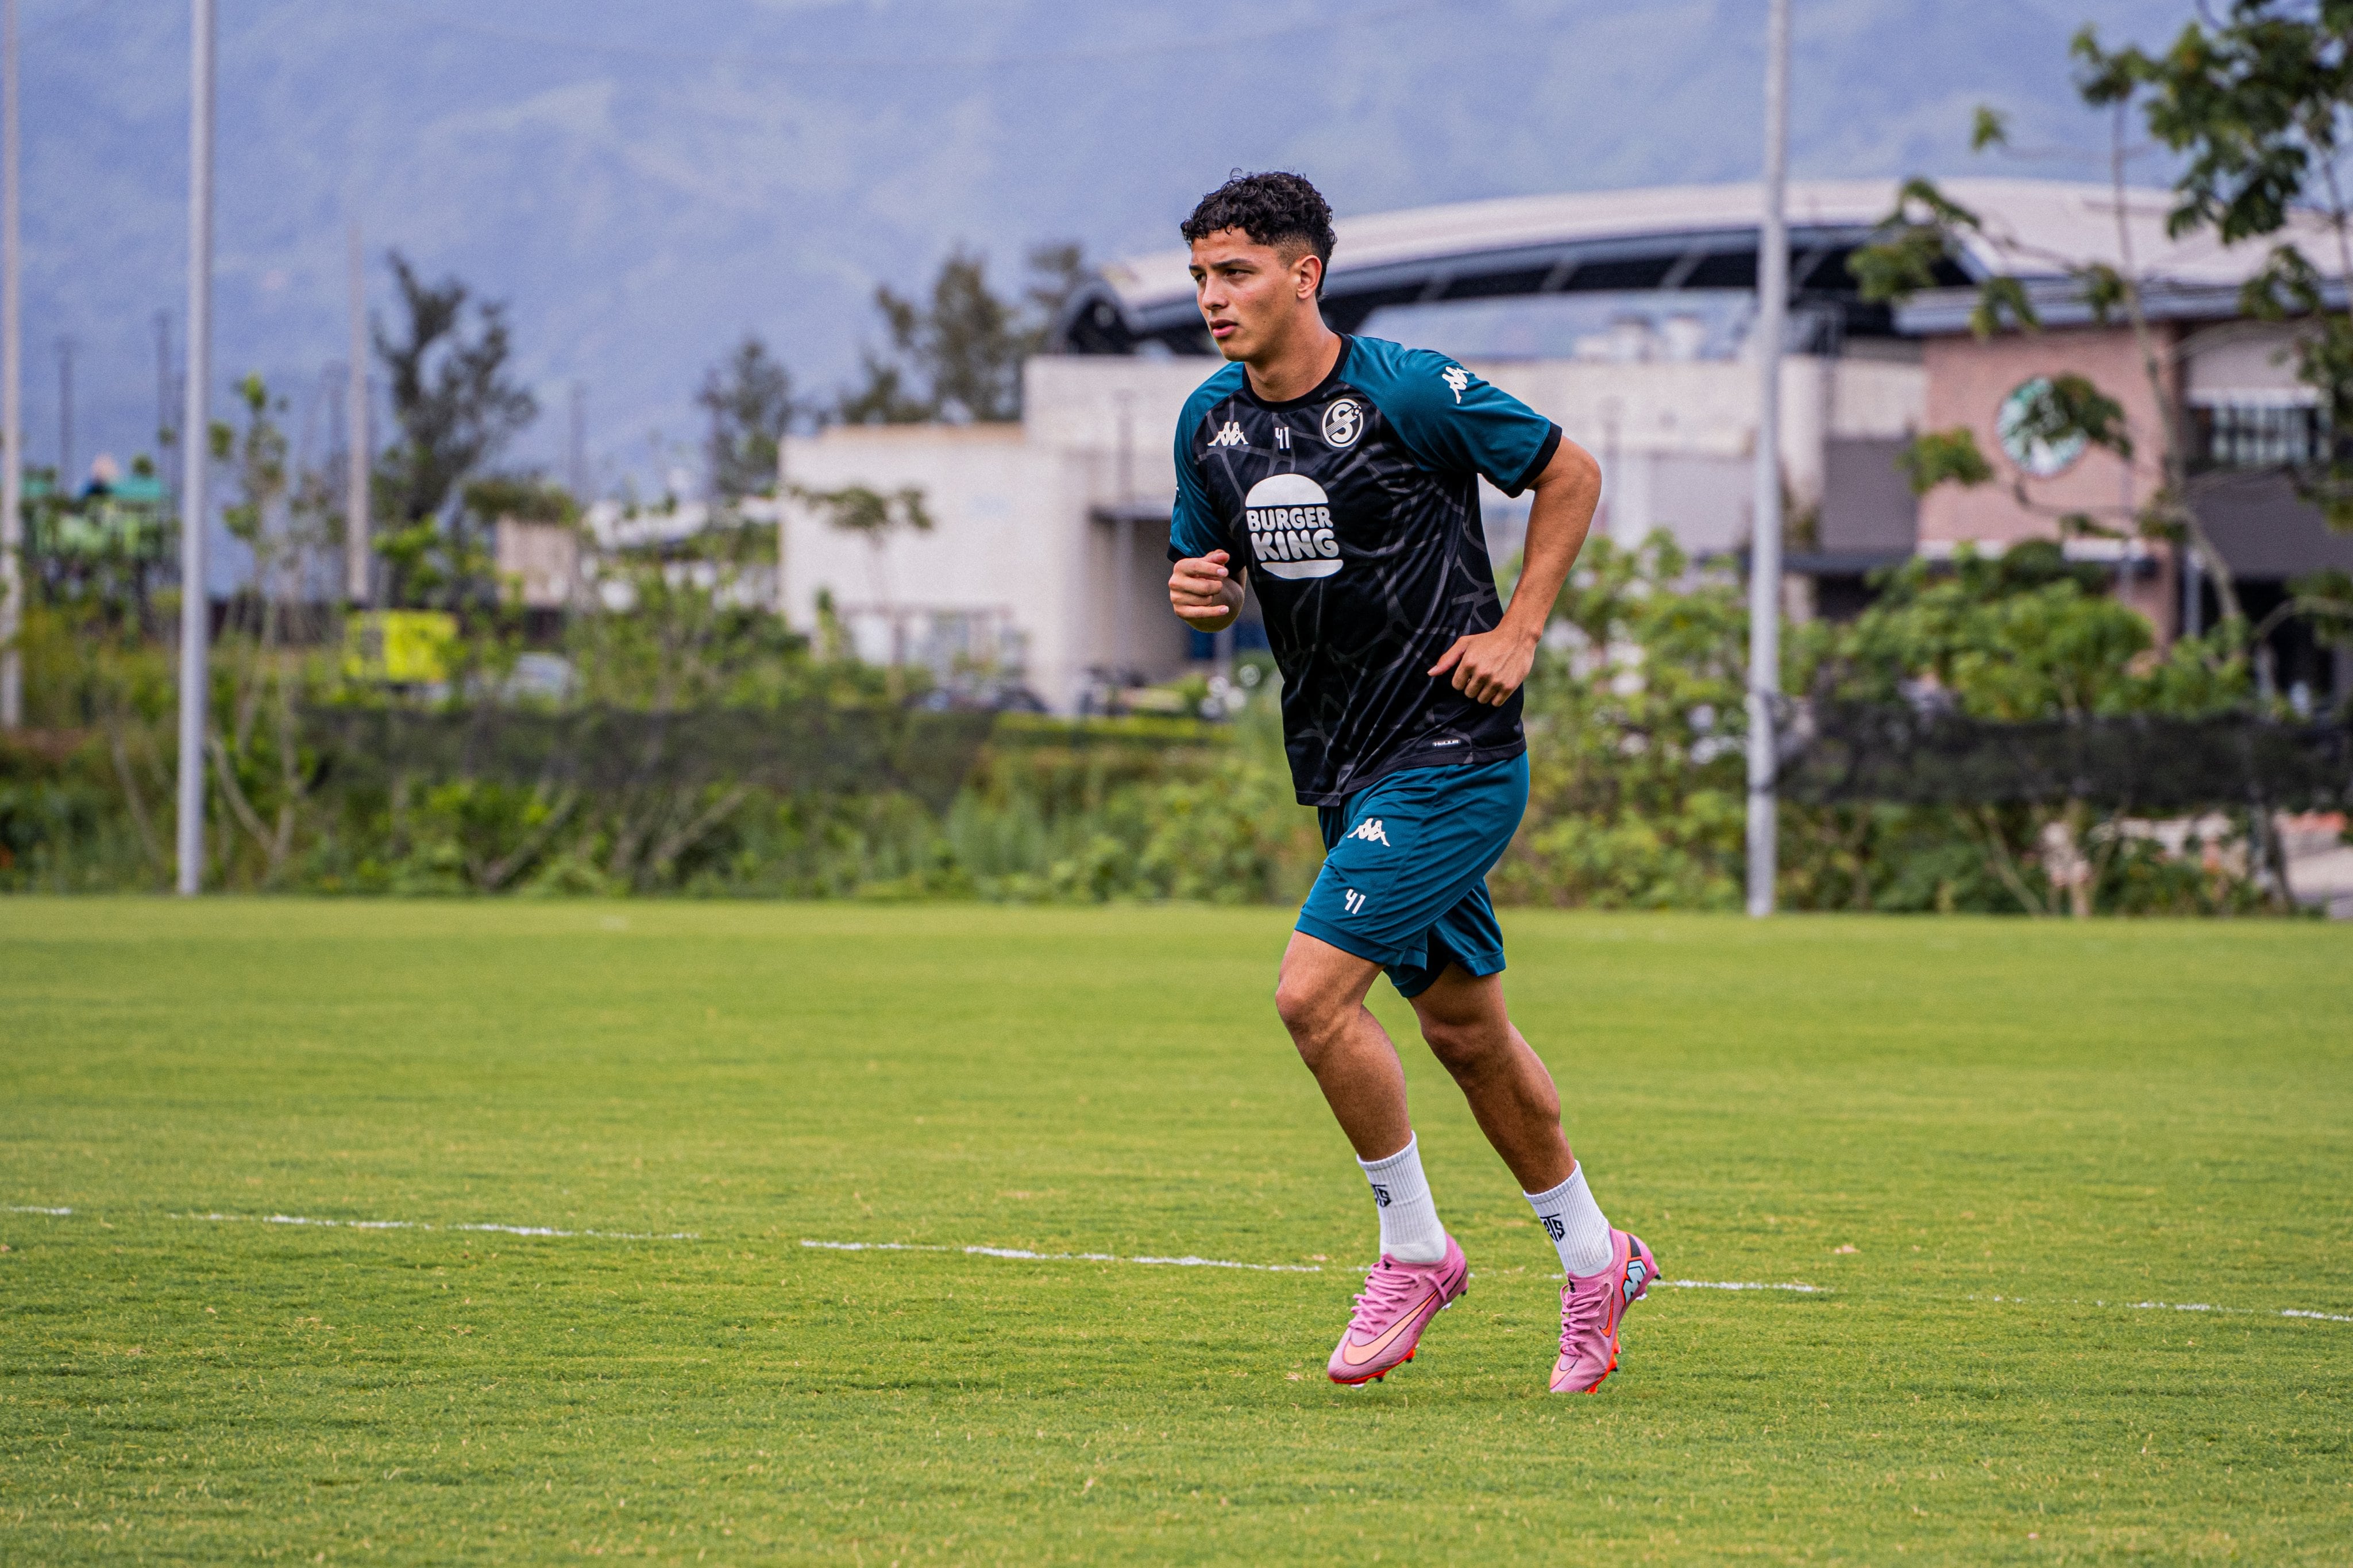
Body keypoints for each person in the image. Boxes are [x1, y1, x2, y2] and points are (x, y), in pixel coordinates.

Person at [1163, 171, 1654, 1393]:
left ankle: (1414, 1249)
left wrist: (1519, 629)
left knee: (1309, 998)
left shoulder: (1403, 389)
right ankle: (1598, 1261)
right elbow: (1201, 567)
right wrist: (1199, 593)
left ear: (1303, 275)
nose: (1213, 300)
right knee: (1463, 1033)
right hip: (1341, 760)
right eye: (1200, 280)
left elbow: (1568, 472)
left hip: (1451, 753)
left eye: (1235, 274)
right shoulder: (1209, 422)